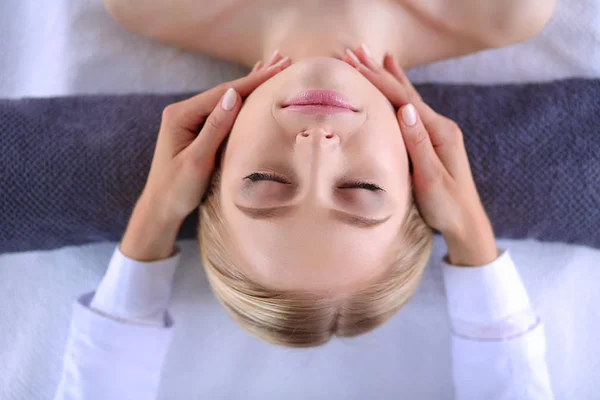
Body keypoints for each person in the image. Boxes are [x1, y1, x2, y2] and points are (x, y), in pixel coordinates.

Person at [55, 0, 555, 398]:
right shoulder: (506, 8)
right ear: (419, 174)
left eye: (268, 182)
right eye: (360, 190)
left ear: (212, 163)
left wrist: (157, 211)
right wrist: (470, 230)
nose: (316, 148)